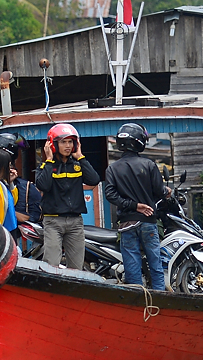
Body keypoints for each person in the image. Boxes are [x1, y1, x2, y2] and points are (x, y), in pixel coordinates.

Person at [104, 122, 167, 290]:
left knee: (132, 266)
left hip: (127, 224)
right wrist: (165, 192)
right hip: (148, 221)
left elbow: (110, 195)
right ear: (139, 141)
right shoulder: (149, 165)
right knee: (155, 263)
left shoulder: (112, 169)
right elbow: (160, 191)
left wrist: (132, 205)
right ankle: (160, 298)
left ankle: (138, 300)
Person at [35, 123, 101, 268]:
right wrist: (49, 160)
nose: (68, 146)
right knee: (51, 264)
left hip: (75, 222)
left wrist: (81, 157)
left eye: (70, 142)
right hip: (53, 222)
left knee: (77, 267)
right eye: (63, 142)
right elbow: (43, 185)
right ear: (53, 145)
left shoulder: (77, 165)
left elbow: (94, 180)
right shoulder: (46, 167)